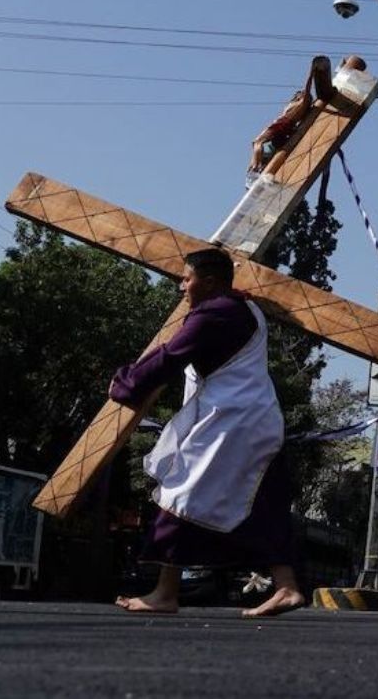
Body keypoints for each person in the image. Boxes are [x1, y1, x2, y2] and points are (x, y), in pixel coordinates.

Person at [110, 248, 302, 618]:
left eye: (187, 278)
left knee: (178, 495)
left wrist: (124, 384)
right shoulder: (248, 310)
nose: (181, 285)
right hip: (258, 421)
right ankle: (287, 587)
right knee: (264, 505)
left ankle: (165, 594)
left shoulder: (215, 315)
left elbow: (169, 358)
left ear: (211, 282)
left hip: (230, 425)